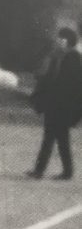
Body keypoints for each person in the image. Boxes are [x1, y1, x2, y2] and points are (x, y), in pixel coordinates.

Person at [28, 26, 82, 180]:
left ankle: (52, 171)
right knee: (54, 138)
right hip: (54, 106)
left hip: (63, 106)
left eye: (62, 38)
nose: (58, 40)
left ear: (68, 41)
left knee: (56, 138)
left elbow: (74, 85)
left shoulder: (73, 58)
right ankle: (50, 171)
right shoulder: (58, 57)